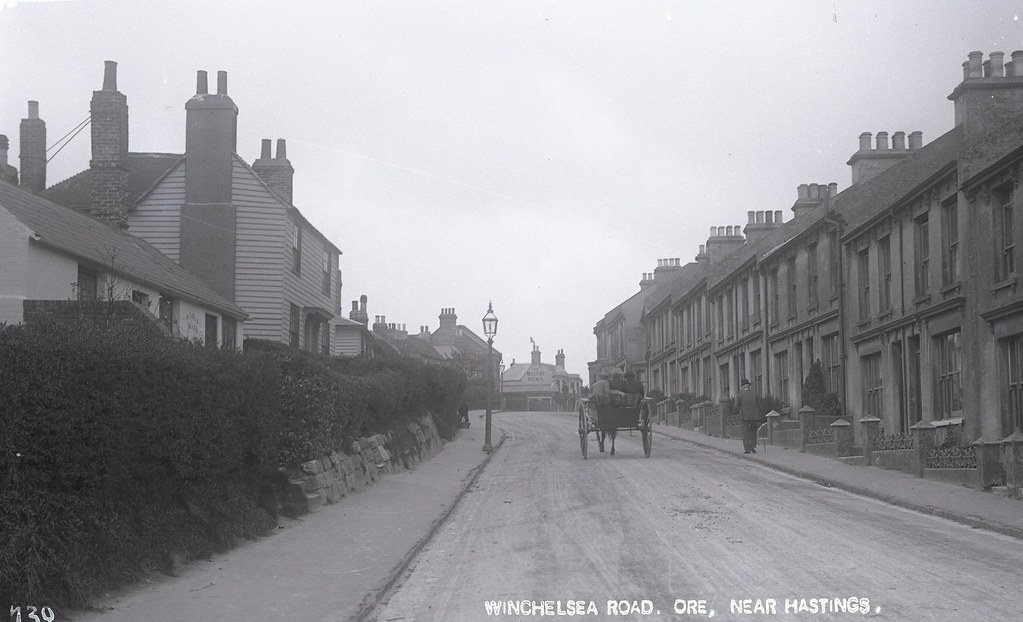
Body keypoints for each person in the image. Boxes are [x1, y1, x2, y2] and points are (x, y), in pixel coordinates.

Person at [737, 379, 762, 454]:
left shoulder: (740, 395)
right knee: (753, 432)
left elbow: (736, 406)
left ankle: (747, 449)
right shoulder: (755, 394)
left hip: (744, 416)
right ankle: (753, 447)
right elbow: (760, 404)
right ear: (748, 386)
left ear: (743, 386)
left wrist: (740, 410)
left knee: (745, 432)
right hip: (754, 417)